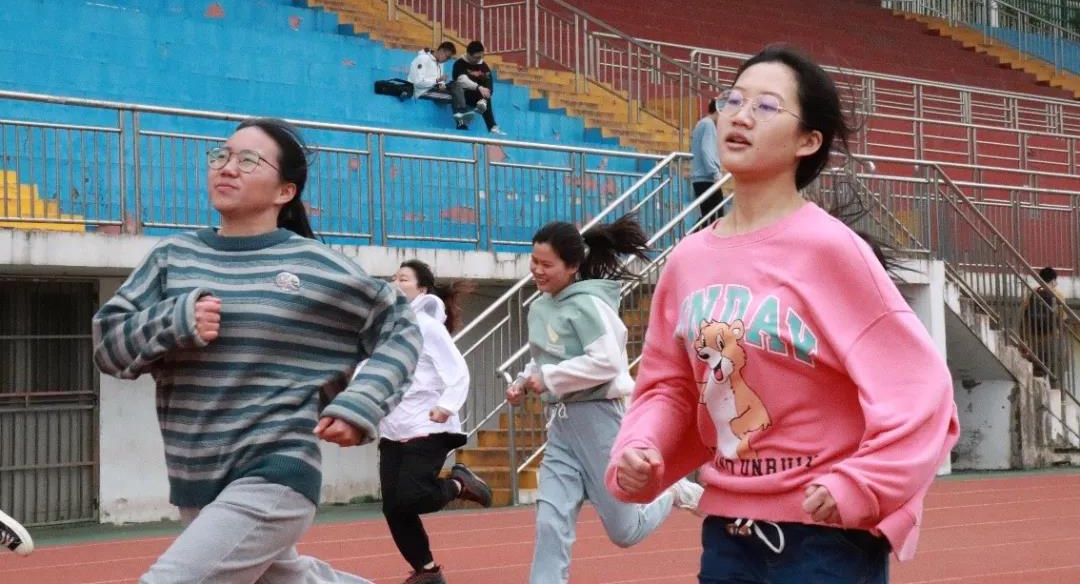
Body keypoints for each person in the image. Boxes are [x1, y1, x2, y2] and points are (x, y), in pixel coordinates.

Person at [606, 45, 959, 584]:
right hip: (727, 532)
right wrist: (641, 447)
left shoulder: (830, 250)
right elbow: (670, 387)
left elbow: (919, 387)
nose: (741, 116)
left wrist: (862, 483)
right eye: (733, 100)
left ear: (808, 141)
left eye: (767, 106)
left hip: (824, 540)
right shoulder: (688, 259)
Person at [93, 118, 422, 584]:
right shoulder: (172, 258)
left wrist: (362, 403)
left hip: (277, 469)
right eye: (221, 156)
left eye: (248, 161)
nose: (227, 168)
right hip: (196, 479)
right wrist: (175, 321)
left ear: (285, 191)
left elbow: (400, 327)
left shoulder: (315, 266)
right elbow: (108, 345)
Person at [506, 215, 704, 584]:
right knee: (550, 521)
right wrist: (523, 380)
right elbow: (543, 358)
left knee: (625, 531)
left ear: (572, 266)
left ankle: (671, 491)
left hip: (601, 421)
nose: (537, 270)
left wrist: (548, 378)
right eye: (534, 261)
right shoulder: (540, 307)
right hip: (561, 427)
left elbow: (608, 363)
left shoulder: (590, 305)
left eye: (547, 264)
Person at [376, 259, 492, 584]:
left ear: (422, 289)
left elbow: (458, 372)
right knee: (394, 507)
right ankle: (427, 572)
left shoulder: (427, 327)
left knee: (412, 497)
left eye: (403, 279)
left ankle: (459, 484)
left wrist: (446, 405)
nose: (395, 282)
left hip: (428, 424)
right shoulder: (385, 329)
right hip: (393, 428)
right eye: (393, 277)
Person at [450, 40, 506, 135]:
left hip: (477, 97)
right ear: (468, 54)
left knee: (486, 92)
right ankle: (461, 124)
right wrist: (478, 87)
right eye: (476, 57)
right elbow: (461, 80)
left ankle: (492, 126)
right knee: (458, 88)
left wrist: (485, 95)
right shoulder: (459, 63)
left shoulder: (483, 66)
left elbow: (489, 84)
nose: (478, 59)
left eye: (481, 57)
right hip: (463, 95)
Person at [690, 97, 725, 223]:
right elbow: (706, 150)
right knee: (715, 219)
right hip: (707, 179)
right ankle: (693, 235)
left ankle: (693, 235)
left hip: (701, 178)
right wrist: (715, 173)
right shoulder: (708, 125)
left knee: (708, 217)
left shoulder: (702, 123)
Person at [1021, 266, 1061, 373]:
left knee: (1036, 367)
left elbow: (1024, 315)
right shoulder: (1057, 295)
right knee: (1051, 369)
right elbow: (1062, 317)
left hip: (1034, 336)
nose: (1056, 284)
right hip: (1051, 338)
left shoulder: (1033, 293)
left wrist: (1023, 338)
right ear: (1053, 281)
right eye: (1055, 281)